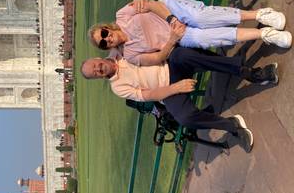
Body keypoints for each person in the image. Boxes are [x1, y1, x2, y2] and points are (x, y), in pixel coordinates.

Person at [80, 46, 280, 152]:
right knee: (185, 118)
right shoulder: (118, 87)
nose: (98, 69)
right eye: (95, 73)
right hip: (167, 90)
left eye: (96, 65)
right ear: (97, 78)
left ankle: (252, 74)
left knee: (184, 54)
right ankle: (232, 126)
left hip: (171, 63)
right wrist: (175, 87)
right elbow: (148, 95)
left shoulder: (119, 51)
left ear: (98, 59)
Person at [89, 0, 291, 65]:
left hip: (171, 8)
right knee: (203, 39)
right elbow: (158, 58)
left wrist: (170, 19)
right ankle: (264, 34)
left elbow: (148, 3)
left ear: (107, 28)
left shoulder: (122, 16)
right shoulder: (130, 55)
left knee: (200, 17)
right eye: (104, 43)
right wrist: (172, 38)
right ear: (107, 48)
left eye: (104, 34)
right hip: (177, 36)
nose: (108, 39)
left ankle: (259, 15)